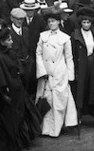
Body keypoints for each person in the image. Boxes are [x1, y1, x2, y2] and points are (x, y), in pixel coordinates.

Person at [35, 8, 78, 137]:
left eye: (53, 21)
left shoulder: (65, 38)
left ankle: (57, 129)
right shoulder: (43, 36)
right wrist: (42, 70)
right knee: (46, 100)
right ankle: (45, 128)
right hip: (46, 73)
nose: (51, 24)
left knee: (59, 101)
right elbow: (38, 53)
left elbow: (69, 57)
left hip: (60, 72)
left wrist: (70, 75)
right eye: (49, 22)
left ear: (59, 22)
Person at [0, 28, 30, 151]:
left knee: (19, 116)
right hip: (8, 93)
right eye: (9, 40)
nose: (11, 41)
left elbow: (19, 69)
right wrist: (4, 94)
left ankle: (18, 142)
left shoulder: (11, 53)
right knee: (8, 118)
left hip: (18, 90)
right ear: (2, 42)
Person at [70, 7, 94, 130]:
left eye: (88, 22)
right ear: (80, 22)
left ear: (91, 23)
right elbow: (73, 54)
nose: (86, 25)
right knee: (81, 90)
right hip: (81, 65)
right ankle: (78, 117)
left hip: (93, 63)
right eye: (84, 22)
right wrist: (74, 70)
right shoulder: (75, 35)